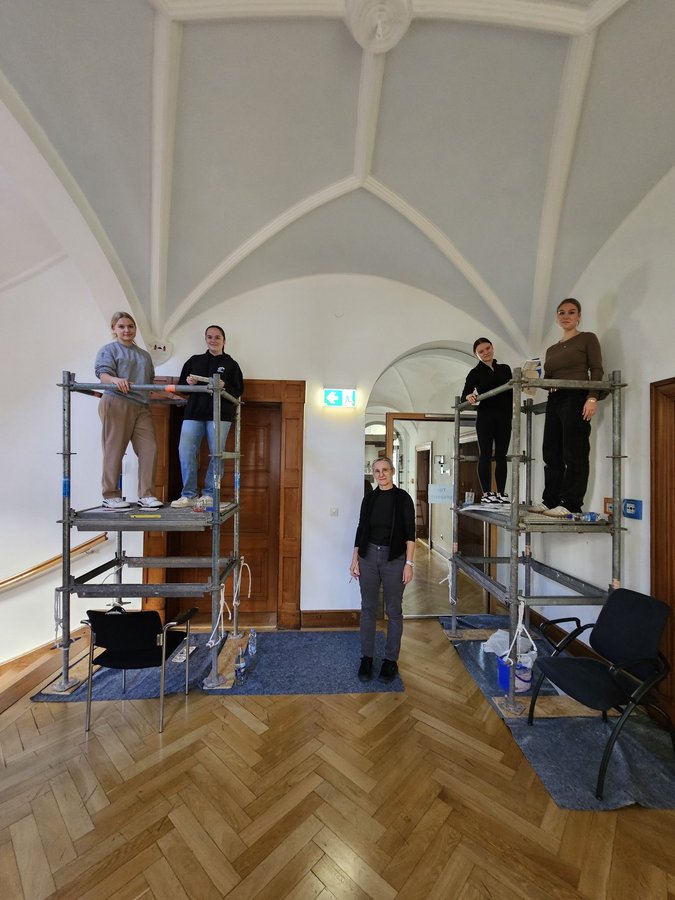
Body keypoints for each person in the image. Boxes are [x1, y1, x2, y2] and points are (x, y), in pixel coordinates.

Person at [529, 298, 603, 517]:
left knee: (575, 451)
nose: (566, 316)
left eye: (571, 312)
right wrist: (533, 380)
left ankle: (571, 504)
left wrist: (592, 398)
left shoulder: (587, 338)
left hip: (576, 396)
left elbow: (596, 369)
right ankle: (550, 500)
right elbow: (549, 378)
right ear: (556, 318)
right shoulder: (551, 349)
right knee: (551, 451)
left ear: (579, 316)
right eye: (561, 312)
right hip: (555, 398)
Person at [350, 457, 416, 683]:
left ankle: (390, 660)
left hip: (394, 558)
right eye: (377, 471)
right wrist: (355, 558)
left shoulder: (403, 498)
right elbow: (361, 528)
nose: (381, 474)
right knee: (368, 608)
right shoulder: (369, 499)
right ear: (373, 473)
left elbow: (410, 533)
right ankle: (367, 658)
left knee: (394, 610)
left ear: (393, 471)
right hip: (368, 556)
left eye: (385, 470)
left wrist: (409, 564)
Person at [94, 311, 162, 509]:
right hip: (117, 401)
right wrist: (115, 380)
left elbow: (149, 382)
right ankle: (110, 495)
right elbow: (103, 375)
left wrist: (173, 396)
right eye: (121, 326)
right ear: (114, 329)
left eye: (130, 326)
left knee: (150, 449)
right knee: (114, 450)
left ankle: (146, 495)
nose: (126, 330)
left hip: (141, 405)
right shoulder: (109, 349)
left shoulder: (144, 355)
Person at [171, 326, 244, 508]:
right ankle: (188, 495)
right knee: (185, 450)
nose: (213, 340)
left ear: (224, 341)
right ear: (205, 339)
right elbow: (182, 387)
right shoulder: (194, 360)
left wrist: (224, 385)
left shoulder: (232, 364)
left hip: (220, 415)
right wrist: (189, 383)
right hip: (194, 413)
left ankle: (209, 494)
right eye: (210, 337)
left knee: (217, 453)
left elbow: (238, 391)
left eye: (217, 337)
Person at [461, 337, 513, 505]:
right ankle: (487, 493)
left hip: (504, 417)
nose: (485, 353)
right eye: (481, 351)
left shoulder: (505, 369)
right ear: (476, 355)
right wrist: (469, 396)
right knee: (485, 454)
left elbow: (512, 391)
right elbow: (465, 394)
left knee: (501, 455)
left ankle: (501, 493)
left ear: (492, 348)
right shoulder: (475, 372)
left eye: (487, 348)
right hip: (486, 416)